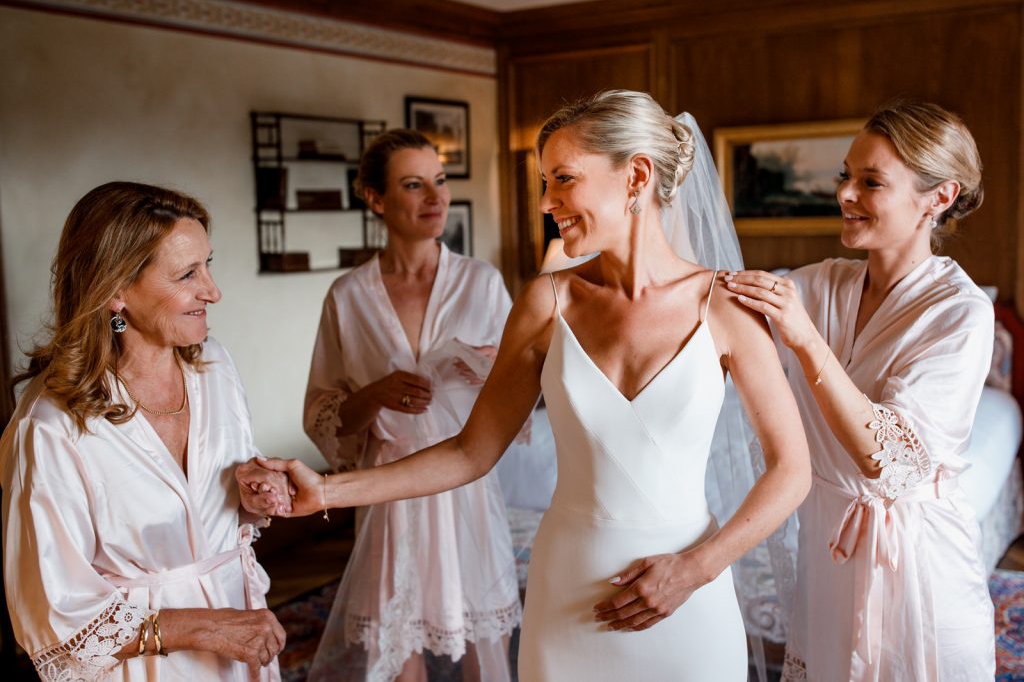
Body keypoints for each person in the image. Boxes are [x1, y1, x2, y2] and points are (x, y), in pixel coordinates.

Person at [247, 90, 811, 680]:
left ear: (636, 176)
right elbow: (472, 451)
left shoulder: (725, 307)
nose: (547, 202)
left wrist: (697, 568)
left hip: (690, 598)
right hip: (568, 593)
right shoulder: (547, 302)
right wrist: (327, 491)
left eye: (563, 179)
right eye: (546, 182)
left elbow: (790, 468)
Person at [727, 100, 995, 680]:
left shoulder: (960, 312)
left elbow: (889, 458)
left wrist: (805, 341)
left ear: (939, 197)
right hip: (828, 550)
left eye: (870, 181)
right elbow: (720, 304)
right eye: (845, 176)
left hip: (919, 563)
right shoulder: (821, 284)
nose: (845, 193)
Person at [1, 182, 287, 681]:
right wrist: (201, 628)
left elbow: (220, 506)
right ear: (115, 290)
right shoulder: (49, 427)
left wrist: (256, 493)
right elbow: (53, 621)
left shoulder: (215, 367)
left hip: (240, 642)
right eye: (187, 274)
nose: (213, 291)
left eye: (208, 264)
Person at [301, 129, 521, 681]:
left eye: (440, 182)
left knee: (483, 638)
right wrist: (374, 394)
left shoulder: (482, 282)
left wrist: (489, 367)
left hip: (465, 483)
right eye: (414, 184)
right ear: (375, 199)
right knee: (396, 644)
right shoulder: (348, 297)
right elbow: (327, 418)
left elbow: (524, 393)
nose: (436, 197)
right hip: (389, 487)